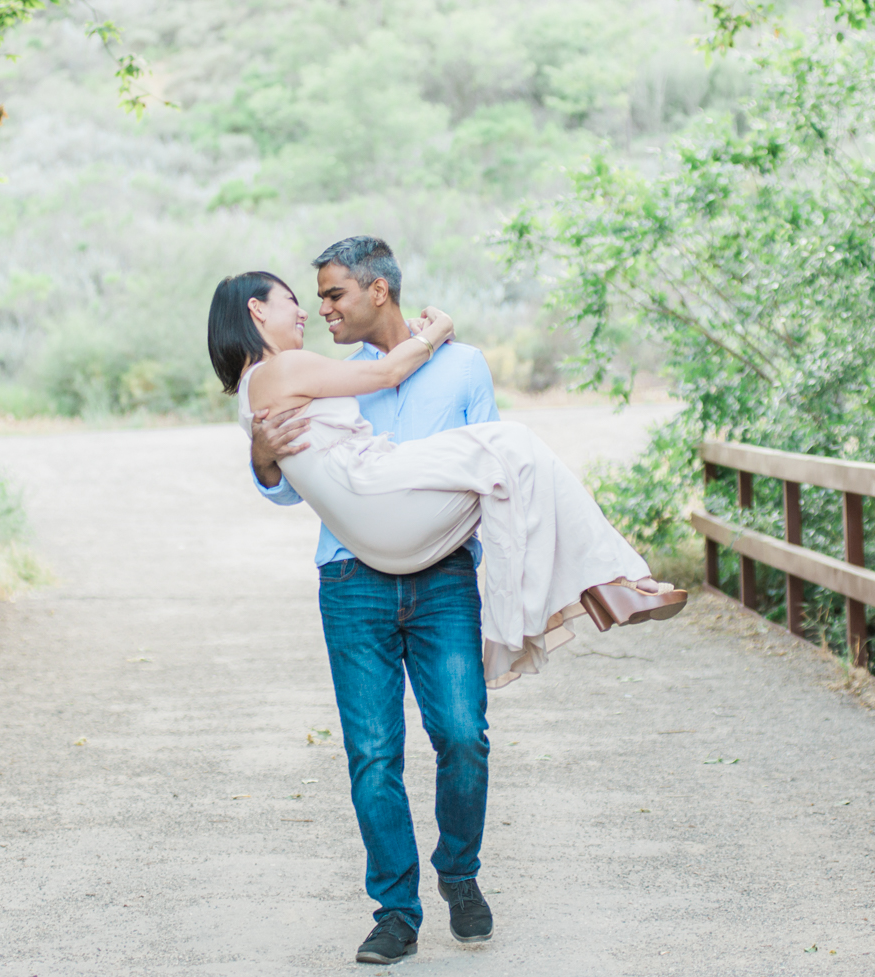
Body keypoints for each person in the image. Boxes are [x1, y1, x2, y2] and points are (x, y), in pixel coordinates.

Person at [211, 238, 685, 965]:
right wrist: (262, 454)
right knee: (373, 753)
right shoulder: (322, 373)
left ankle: (459, 876)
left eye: (333, 294)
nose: (318, 310)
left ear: (379, 290)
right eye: (305, 300)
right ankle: (395, 911)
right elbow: (280, 484)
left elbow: (491, 483)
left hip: (440, 569)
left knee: (463, 733)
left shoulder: (463, 369)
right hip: (353, 573)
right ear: (257, 312)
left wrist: (499, 579)